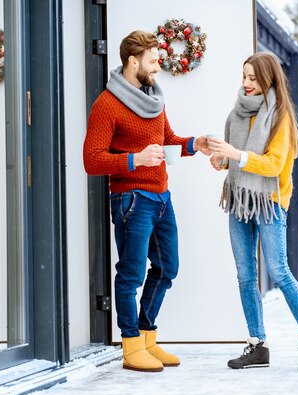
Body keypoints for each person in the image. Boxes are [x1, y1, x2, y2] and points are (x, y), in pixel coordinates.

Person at [83, 30, 210, 372]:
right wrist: (133, 160)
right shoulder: (107, 105)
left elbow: (167, 140)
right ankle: (131, 346)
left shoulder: (154, 98)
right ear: (133, 61)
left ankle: (147, 337)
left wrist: (194, 144)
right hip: (131, 199)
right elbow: (91, 160)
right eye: (153, 62)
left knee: (168, 268)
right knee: (131, 274)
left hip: (161, 197)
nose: (158, 68)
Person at [208, 52, 298, 372]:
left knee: (279, 271)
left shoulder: (280, 117)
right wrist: (222, 160)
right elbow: (237, 161)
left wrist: (236, 155)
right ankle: (257, 345)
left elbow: (273, 164)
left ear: (268, 79)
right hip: (238, 201)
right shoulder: (238, 113)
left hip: (270, 201)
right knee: (246, 276)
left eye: (252, 78)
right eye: (243, 76)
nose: (245, 84)